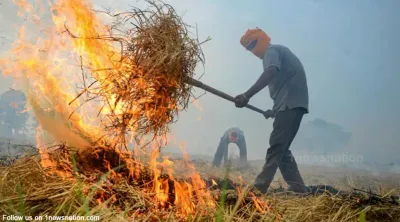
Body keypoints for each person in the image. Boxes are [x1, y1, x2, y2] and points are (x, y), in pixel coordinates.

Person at [234, 28, 309, 194]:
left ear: (261, 39)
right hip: (292, 105)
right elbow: (284, 85)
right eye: (248, 48)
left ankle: (259, 187)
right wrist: (273, 111)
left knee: (276, 146)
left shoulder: (271, 51)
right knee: (282, 149)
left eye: (252, 45)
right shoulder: (277, 52)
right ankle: (299, 189)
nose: (252, 50)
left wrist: (247, 95)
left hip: (290, 104)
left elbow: (270, 72)